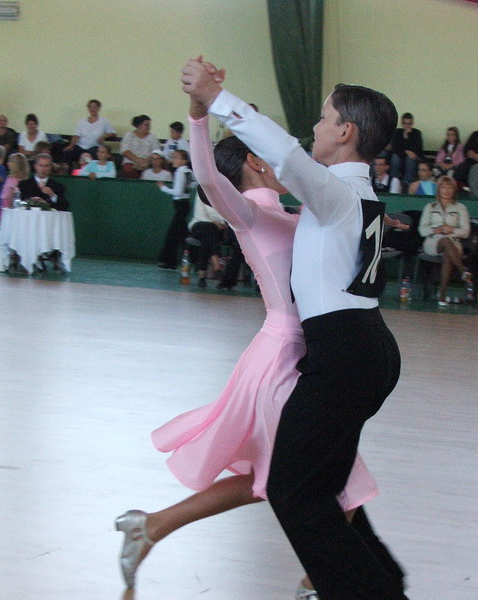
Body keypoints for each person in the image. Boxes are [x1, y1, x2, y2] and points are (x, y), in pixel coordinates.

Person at [115, 90, 379, 596]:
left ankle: (149, 527)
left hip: (301, 358)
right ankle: (314, 587)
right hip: (281, 361)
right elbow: (210, 179)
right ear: (257, 162)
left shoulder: (289, 211)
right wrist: (197, 118)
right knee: (340, 487)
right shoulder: (250, 213)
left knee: (277, 477)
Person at [184, 58, 408, 600]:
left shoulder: (335, 193)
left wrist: (217, 99)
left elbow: (284, 154)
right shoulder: (357, 198)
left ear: (345, 132)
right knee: (320, 489)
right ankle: (384, 585)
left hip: (344, 355)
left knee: (293, 493)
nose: (315, 127)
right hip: (363, 350)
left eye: (324, 118)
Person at [418, 175, 472, 306]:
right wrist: (434, 229)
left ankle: (442, 294)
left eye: (450, 187)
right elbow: (422, 230)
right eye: (443, 187)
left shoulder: (460, 208)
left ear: (454, 190)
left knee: (448, 251)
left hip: (454, 241)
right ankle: (462, 271)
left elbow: (466, 231)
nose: (446, 191)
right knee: (445, 241)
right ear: (438, 189)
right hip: (433, 241)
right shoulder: (430, 207)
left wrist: (452, 230)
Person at [157, 150, 194, 270]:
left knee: (173, 234)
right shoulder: (188, 171)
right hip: (185, 204)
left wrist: (163, 188)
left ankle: (171, 261)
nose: (174, 160)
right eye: (174, 157)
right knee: (182, 234)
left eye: (177, 157)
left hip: (180, 205)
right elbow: (193, 184)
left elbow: (178, 192)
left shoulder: (180, 172)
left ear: (183, 161)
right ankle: (191, 259)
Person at [188, 188, 226, 287]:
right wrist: (218, 222)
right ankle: (217, 267)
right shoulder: (202, 189)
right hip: (199, 224)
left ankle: (202, 276)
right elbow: (206, 212)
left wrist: (221, 223)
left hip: (213, 229)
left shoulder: (221, 190)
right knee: (209, 229)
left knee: (206, 239)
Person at [62, 99, 117, 169]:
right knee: (67, 152)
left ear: (99, 109)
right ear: (88, 109)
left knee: (99, 154)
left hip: (95, 147)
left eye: (95, 107)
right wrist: (71, 145)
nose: (93, 109)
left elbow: (113, 133)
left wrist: (104, 136)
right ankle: (67, 170)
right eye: (91, 107)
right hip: (80, 147)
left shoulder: (104, 121)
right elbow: (76, 135)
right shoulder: (82, 121)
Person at [388, 112, 423, 183]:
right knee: (395, 158)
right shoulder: (397, 132)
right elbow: (395, 147)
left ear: (412, 123)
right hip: (399, 156)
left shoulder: (417, 133)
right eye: (405, 123)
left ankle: (407, 182)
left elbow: (417, 149)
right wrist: (406, 151)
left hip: (413, 158)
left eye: (409, 124)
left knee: (410, 158)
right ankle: (394, 181)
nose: (407, 126)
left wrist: (408, 136)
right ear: (402, 123)